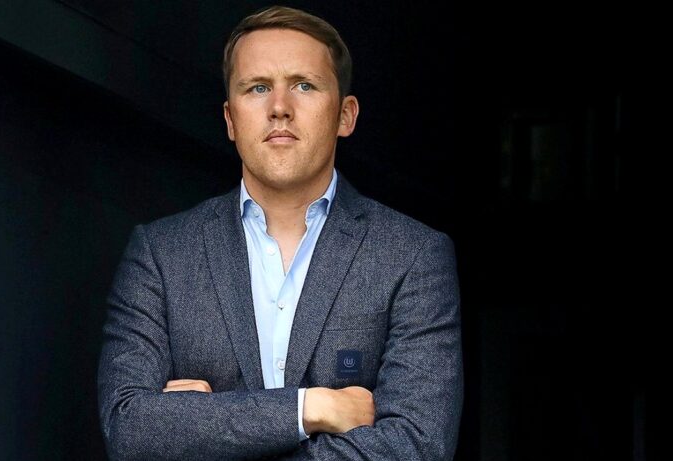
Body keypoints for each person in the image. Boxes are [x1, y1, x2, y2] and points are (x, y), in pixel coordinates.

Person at [97, 5, 463, 460]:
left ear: (345, 115)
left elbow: (416, 447)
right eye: (257, 88)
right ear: (230, 120)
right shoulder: (162, 255)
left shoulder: (412, 255)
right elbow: (129, 430)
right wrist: (309, 407)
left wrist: (199, 428)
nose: (279, 108)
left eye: (304, 85)